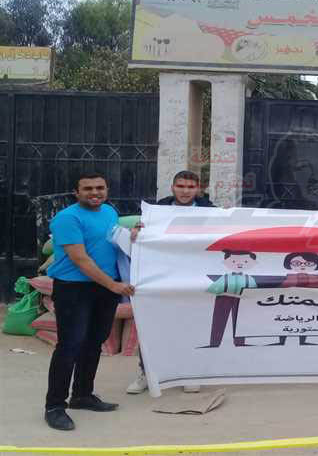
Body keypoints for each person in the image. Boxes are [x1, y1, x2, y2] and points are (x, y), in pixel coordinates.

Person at [44, 172, 135, 431]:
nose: (95, 193)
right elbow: (80, 259)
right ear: (76, 192)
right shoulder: (67, 218)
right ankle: (54, 406)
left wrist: (132, 236)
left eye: (100, 188)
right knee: (69, 346)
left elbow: (113, 243)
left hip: (104, 289)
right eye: (88, 189)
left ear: (106, 189)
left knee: (94, 342)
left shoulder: (109, 212)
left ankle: (82, 395)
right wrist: (113, 285)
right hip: (74, 289)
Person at [127, 170, 214, 395]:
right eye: (181, 186)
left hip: (195, 279)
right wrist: (136, 232)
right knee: (152, 327)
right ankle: (147, 373)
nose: (185, 191)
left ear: (198, 189)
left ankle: (189, 373)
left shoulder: (212, 212)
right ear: (173, 187)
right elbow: (140, 236)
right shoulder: (155, 212)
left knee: (191, 327)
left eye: (190, 187)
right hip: (161, 278)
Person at [269, 252, 318, 346]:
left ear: (317, 265)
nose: (302, 266)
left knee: (304, 323)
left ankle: (303, 341)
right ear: (289, 264)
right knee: (284, 323)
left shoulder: (316, 277)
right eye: (297, 263)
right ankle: (281, 341)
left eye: (308, 264)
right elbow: (281, 288)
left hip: (308, 305)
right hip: (288, 304)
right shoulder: (289, 277)